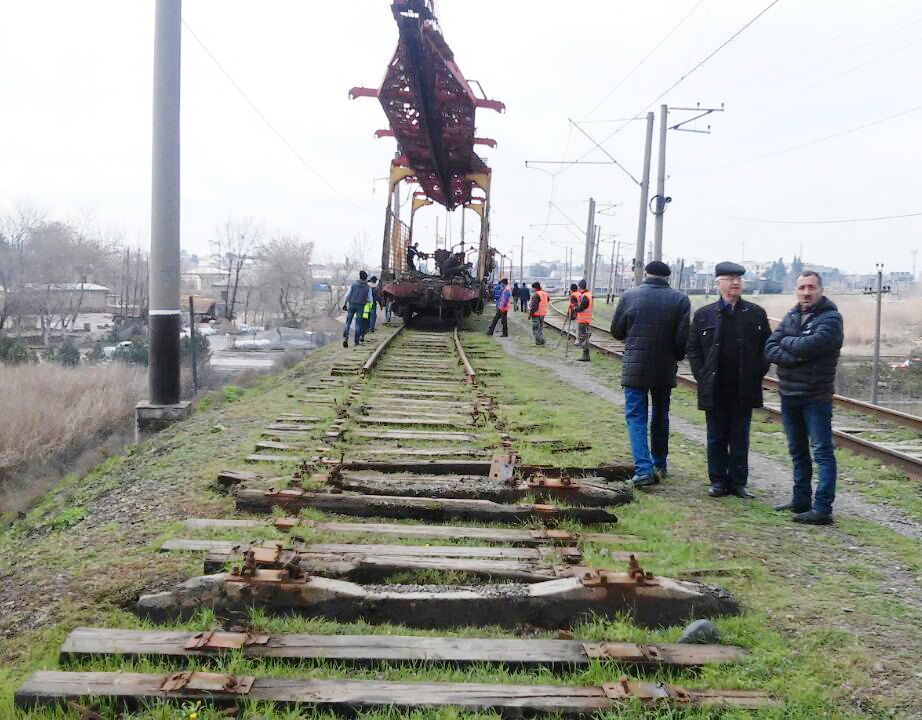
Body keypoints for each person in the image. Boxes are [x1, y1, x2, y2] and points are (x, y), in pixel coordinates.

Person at [764, 270, 843, 525]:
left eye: (811, 287)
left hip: (815, 397)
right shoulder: (792, 314)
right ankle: (801, 500)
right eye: (802, 288)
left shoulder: (831, 319)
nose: (806, 292)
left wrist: (789, 344)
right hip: (789, 394)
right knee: (797, 450)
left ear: (820, 289)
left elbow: (812, 345)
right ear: (796, 290)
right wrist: (795, 352)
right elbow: (770, 347)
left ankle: (822, 508)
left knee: (821, 451)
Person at [687, 262, 771, 499]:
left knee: (740, 436)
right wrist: (701, 374)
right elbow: (693, 348)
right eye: (729, 278)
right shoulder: (704, 315)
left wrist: (757, 372)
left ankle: (738, 482)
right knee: (715, 436)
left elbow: (768, 346)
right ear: (718, 283)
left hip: (743, 386)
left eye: (738, 278)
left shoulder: (755, 313)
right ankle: (717, 481)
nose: (735, 282)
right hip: (715, 386)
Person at [610, 261, 690, 487]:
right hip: (665, 368)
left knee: (636, 416)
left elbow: (616, 332)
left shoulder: (630, 296)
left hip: (635, 367)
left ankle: (643, 469)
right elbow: (682, 340)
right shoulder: (680, 299)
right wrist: (674, 355)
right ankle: (660, 464)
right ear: (668, 277)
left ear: (645, 274)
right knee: (660, 415)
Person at [342, 270, 369, 348]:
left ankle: (345, 338)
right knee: (358, 324)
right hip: (361, 306)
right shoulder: (368, 287)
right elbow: (370, 299)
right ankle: (356, 341)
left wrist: (345, 304)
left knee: (348, 322)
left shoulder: (353, 285)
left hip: (351, 305)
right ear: (366, 278)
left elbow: (347, 296)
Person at [573, 279, 593, 362]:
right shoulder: (588, 294)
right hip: (586, 318)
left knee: (583, 338)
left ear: (579, 287)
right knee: (584, 337)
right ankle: (586, 355)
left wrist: (575, 308)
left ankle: (585, 355)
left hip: (583, 319)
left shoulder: (584, 296)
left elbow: (582, 307)